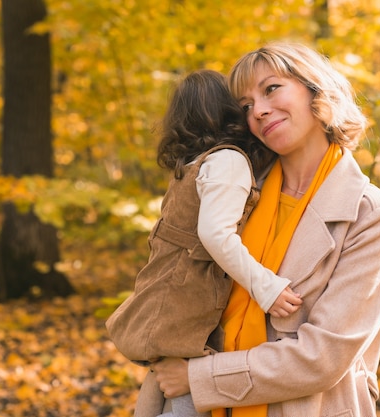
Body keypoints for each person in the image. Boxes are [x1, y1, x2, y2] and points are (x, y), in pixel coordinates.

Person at [144, 42, 380, 417]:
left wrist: (198, 377)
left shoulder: (374, 216)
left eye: (271, 89)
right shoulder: (235, 189)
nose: (260, 111)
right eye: (246, 106)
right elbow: (178, 286)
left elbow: (322, 357)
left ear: (315, 90)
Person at [105, 69, 303, 417]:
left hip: (166, 294)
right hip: (188, 301)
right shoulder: (228, 161)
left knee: (165, 390)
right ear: (229, 112)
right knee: (186, 397)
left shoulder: (193, 165)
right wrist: (265, 287)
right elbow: (215, 234)